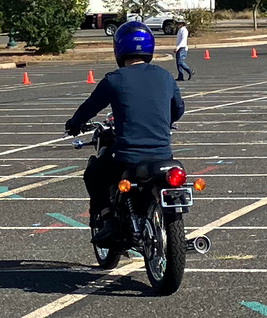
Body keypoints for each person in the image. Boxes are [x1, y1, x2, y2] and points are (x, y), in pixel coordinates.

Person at [64, 21, 185, 231]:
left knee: (94, 174)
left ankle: (108, 218)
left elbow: (89, 109)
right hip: (163, 155)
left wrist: (74, 124)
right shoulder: (165, 76)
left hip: (128, 158)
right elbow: (178, 109)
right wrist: (166, 120)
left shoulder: (114, 79)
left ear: (118, 47)